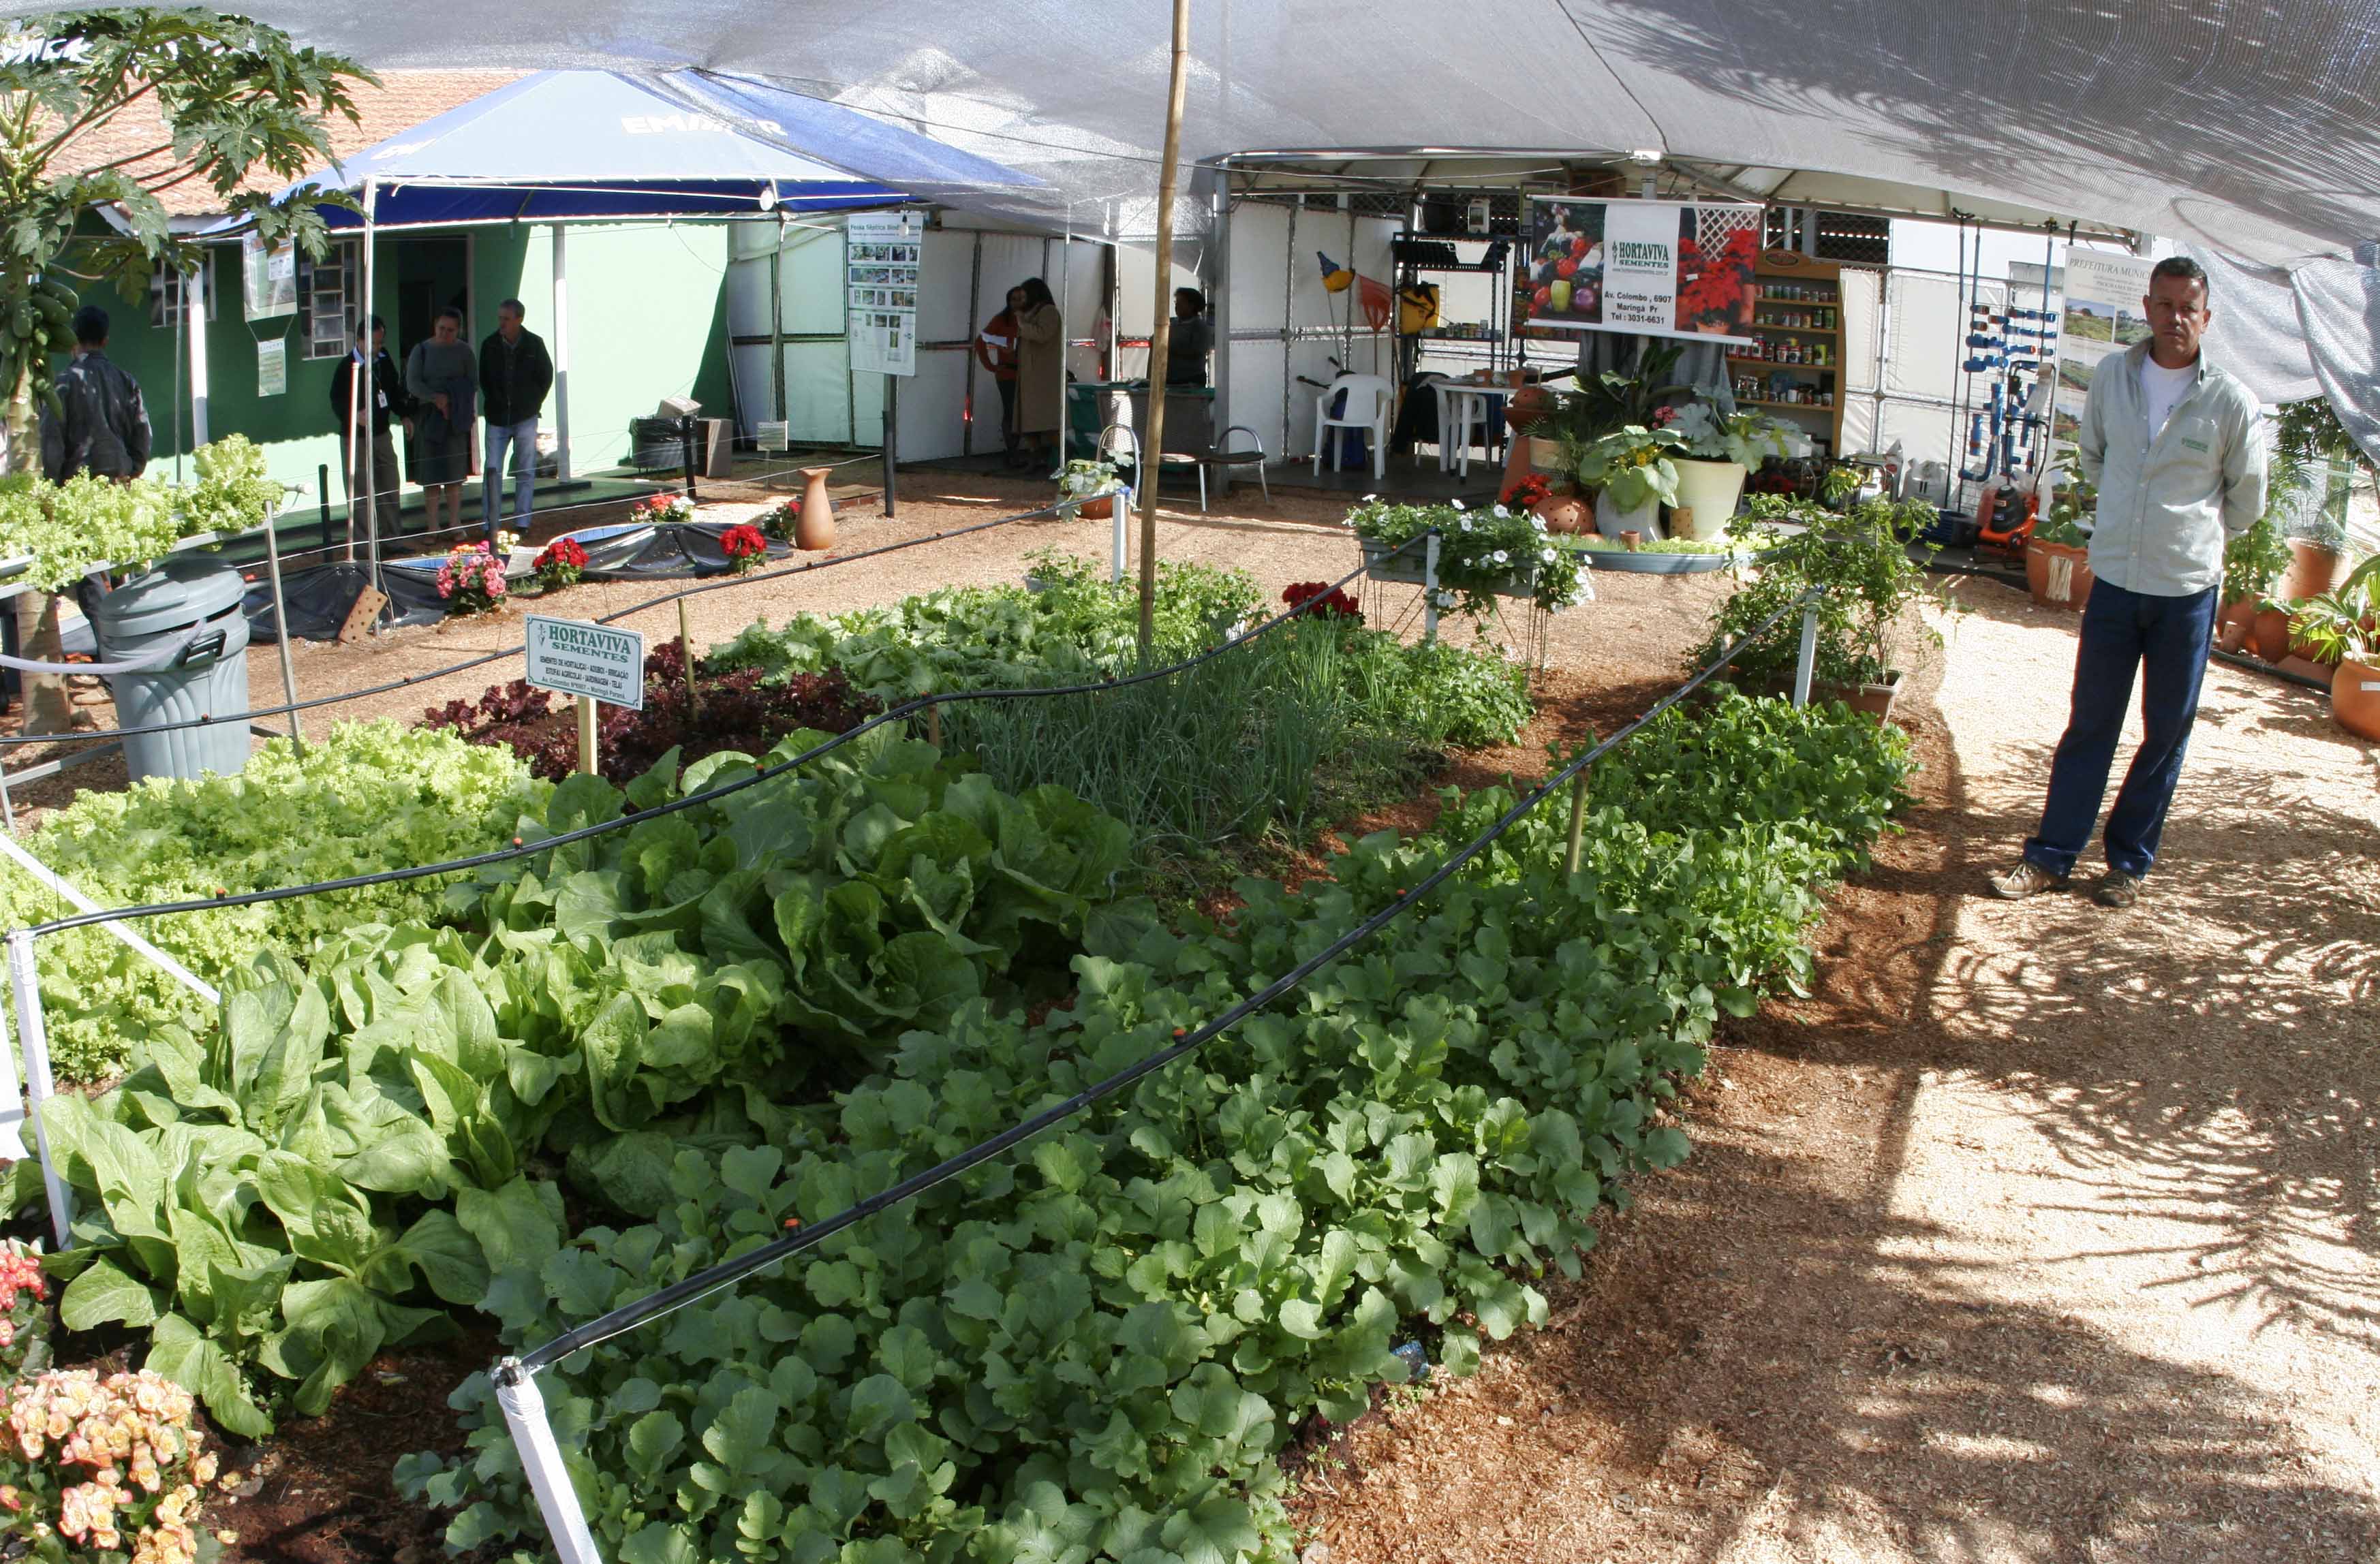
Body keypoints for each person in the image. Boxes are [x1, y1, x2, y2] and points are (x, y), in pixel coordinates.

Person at [1990, 255, 2266, 908]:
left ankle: (2127, 865)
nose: (2175, 318)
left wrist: (2188, 533)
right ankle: (2051, 856)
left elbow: (2247, 500)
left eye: (2188, 308)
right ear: (2146, 308)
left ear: (2206, 317)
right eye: (2164, 305)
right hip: (2115, 581)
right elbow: (2093, 457)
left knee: (2165, 732)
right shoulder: (2113, 377)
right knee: (2090, 723)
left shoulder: (2230, 401)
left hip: (2185, 591)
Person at [41, 304, 151, 484]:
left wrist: (52, 482)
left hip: (77, 487)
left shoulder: (64, 383)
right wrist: (131, 471)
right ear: (105, 341)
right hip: (119, 480)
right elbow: (142, 434)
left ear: (73, 339)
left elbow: (51, 437)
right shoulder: (127, 381)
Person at [330, 314, 413, 537]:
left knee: (390, 484)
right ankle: (365, 543)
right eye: (372, 343)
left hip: (381, 433)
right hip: (355, 437)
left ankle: (392, 537)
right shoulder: (347, 366)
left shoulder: (384, 359)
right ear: (359, 340)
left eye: (379, 343)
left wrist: (404, 415)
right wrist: (354, 416)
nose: (376, 348)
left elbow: (393, 392)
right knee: (360, 491)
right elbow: (336, 401)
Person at [479, 297, 554, 542]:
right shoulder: (489, 345)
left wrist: (533, 404)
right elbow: (484, 379)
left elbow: (546, 376)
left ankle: (522, 522)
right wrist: (496, 402)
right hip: (497, 418)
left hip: (525, 417)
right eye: (500, 318)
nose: (501, 323)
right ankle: (490, 523)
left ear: (519, 319)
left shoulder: (534, 344)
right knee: (493, 470)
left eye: (506, 319)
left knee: (526, 470)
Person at [404, 307, 478, 539]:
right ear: (435, 326)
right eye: (441, 328)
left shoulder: (464, 351)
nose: (445, 333)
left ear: (459, 330)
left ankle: (455, 523)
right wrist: (435, 398)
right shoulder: (421, 350)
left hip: (455, 419)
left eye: (450, 330)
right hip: (429, 419)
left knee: (455, 476)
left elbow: (473, 382)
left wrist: (452, 398)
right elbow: (412, 383)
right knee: (431, 477)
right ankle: (433, 527)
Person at [1010, 276, 1063, 470]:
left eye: (1025, 297)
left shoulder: (1049, 312)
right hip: (1030, 376)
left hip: (1044, 377)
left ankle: (1065, 460)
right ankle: (1036, 458)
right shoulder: (1031, 313)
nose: (1022, 302)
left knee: (1047, 423)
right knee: (1028, 423)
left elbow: (1042, 335)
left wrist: (1022, 323)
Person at [974, 285, 1025, 468]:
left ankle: (1018, 453)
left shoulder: (1030, 319)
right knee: (1011, 412)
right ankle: (1012, 453)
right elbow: (980, 341)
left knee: (1023, 414)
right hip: (1007, 374)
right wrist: (991, 366)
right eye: (1014, 299)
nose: (1018, 303)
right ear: (1008, 302)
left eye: (1021, 299)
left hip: (1027, 375)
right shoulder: (1001, 320)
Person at [1164, 287, 1213, 388]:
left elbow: (1197, 351)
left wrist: (1168, 347)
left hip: (1191, 381)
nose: (1177, 306)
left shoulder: (1200, 327)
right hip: (1169, 379)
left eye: (1181, 302)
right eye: (1176, 302)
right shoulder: (1170, 323)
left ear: (1191, 306)